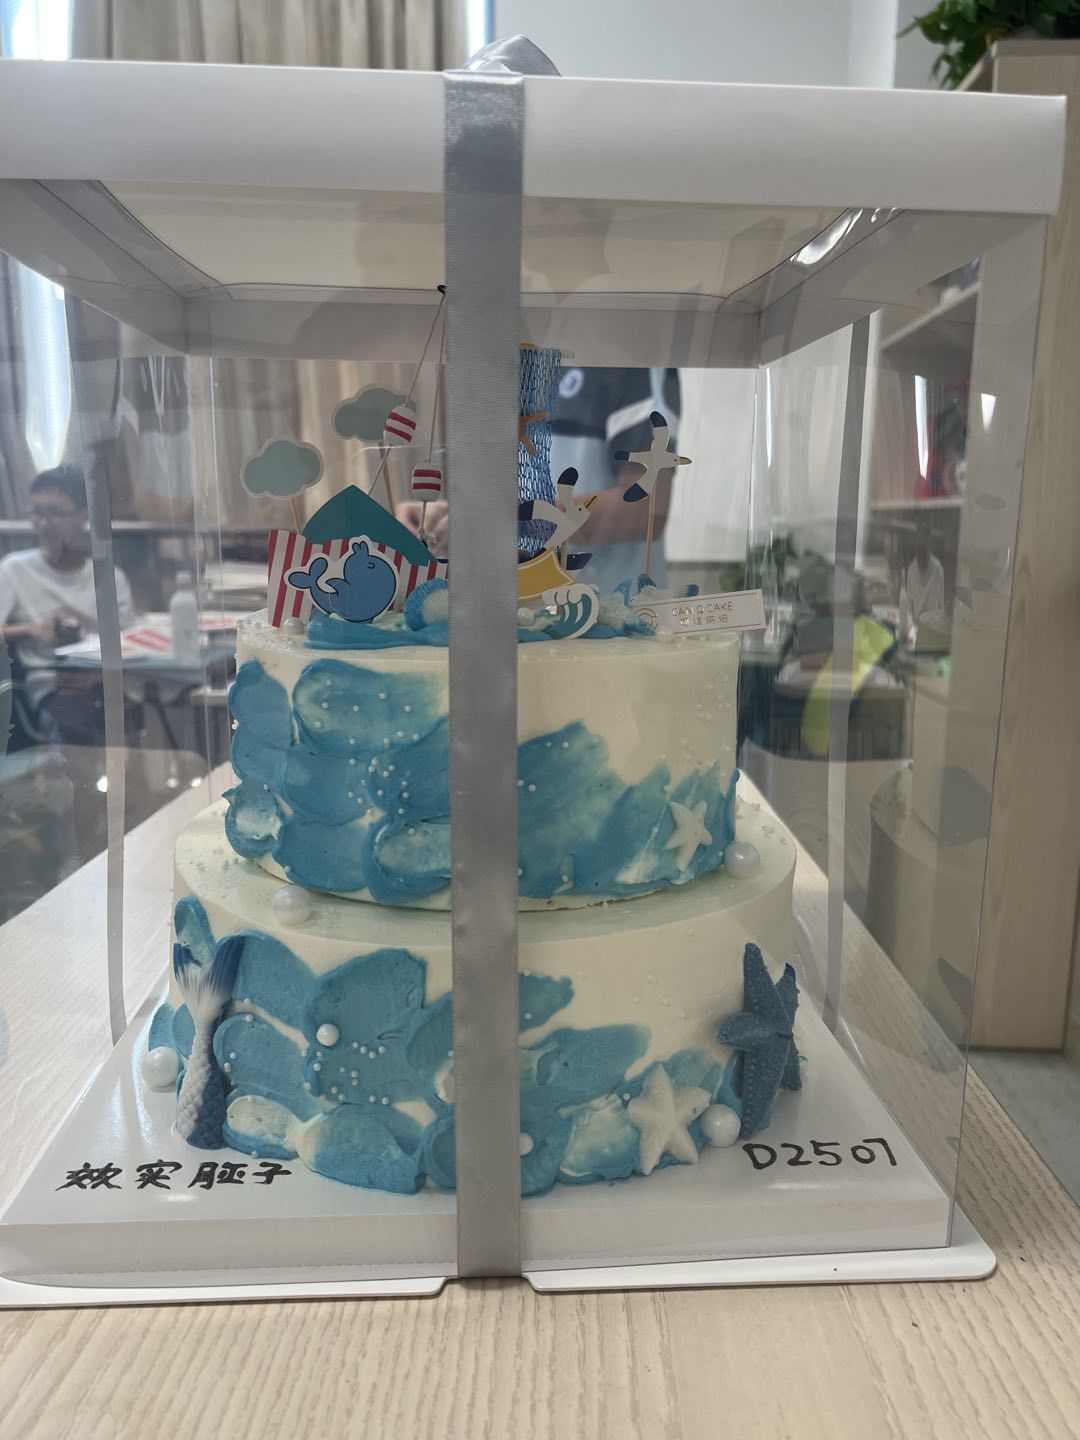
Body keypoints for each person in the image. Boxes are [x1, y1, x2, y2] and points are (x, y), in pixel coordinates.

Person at [0, 466, 133, 749]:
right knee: (76, 721)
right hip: (50, 684)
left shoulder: (109, 577)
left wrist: (97, 675)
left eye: (55, 513)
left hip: (105, 681)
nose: (43, 523)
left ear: (83, 516)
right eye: (37, 512)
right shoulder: (14, 570)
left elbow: (132, 641)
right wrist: (32, 629)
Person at [899, 517, 945, 643]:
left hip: (932, 631)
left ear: (930, 543)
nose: (922, 543)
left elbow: (940, 607)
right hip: (916, 631)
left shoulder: (938, 570)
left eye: (925, 539)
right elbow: (908, 607)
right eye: (919, 539)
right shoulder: (911, 571)